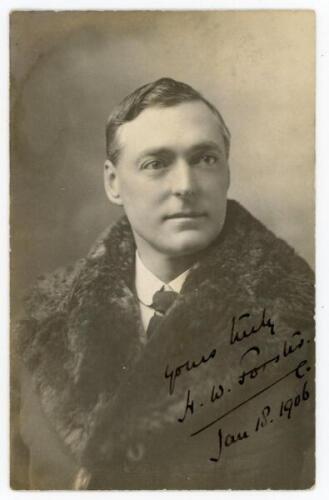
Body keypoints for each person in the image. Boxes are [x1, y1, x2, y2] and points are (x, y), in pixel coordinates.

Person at [12, 78, 315, 490]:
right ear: (113, 182)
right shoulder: (36, 326)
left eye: (205, 159)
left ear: (227, 171)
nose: (186, 186)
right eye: (156, 163)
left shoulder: (305, 324)